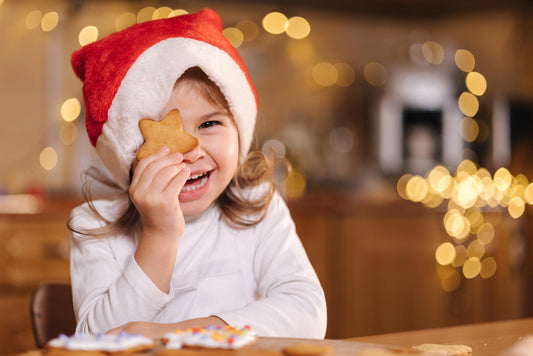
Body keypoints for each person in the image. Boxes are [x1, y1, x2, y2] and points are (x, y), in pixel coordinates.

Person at [68, 8, 327, 339]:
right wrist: (159, 235)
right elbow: (97, 340)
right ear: (126, 150)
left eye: (209, 124)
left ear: (239, 132)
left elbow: (307, 313)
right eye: (162, 133)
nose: (190, 150)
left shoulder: (259, 207)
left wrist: (180, 332)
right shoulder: (94, 224)